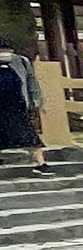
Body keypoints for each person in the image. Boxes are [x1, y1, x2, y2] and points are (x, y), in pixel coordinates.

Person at [0, 40, 51, 177]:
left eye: (7, 51)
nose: (5, 54)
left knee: (30, 136)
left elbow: (31, 82)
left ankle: (41, 164)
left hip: (18, 106)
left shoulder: (21, 62)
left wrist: (36, 101)